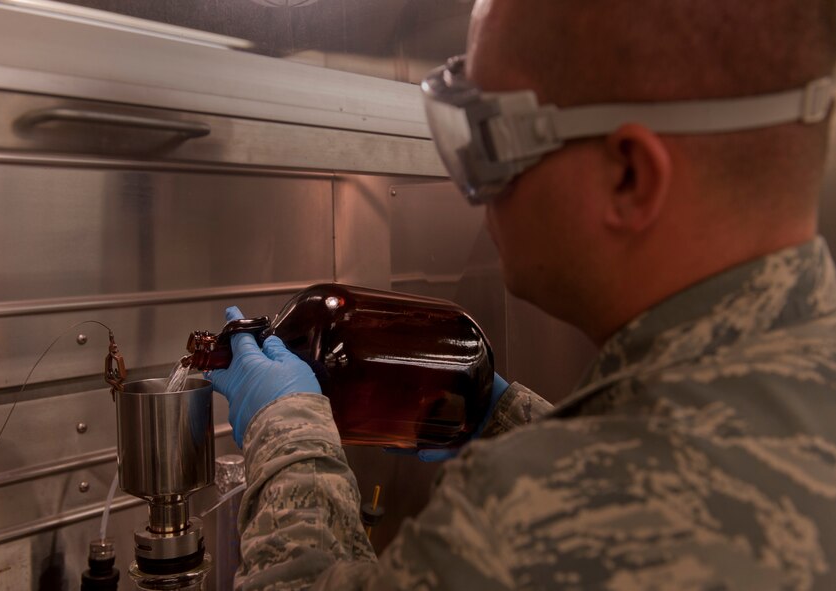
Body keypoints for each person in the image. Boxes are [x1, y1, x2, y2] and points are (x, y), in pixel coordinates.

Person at [211, 0, 836, 588]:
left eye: (491, 141)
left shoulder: (525, 522)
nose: (475, 193)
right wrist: (510, 420)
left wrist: (287, 437)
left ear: (629, 176)